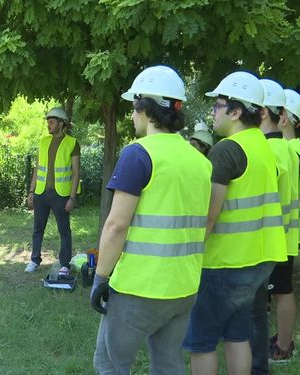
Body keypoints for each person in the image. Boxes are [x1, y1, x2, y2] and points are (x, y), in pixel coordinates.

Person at [90, 65, 211, 374]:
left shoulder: (138, 154)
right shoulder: (200, 162)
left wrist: (100, 278)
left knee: (110, 364)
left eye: (134, 107)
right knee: (169, 364)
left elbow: (117, 225)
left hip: (139, 289)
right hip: (184, 288)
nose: (131, 115)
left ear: (146, 107)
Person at [182, 72, 287, 375]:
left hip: (225, 262)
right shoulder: (262, 146)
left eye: (218, 105)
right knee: (237, 334)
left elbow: (210, 214)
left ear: (237, 111)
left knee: (201, 340)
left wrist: (190, 252)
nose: (213, 112)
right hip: (259, 259)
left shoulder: (226, 150)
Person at [266, 88, 300, 363]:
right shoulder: (295, 150)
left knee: (282, 290)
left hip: (283, 234)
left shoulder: (288, 152)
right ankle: (282, 340)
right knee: (281, 288)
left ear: (283, 118)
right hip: (289, 232)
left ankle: (283, 346)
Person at [250, 79, 296, 374]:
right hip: (282, 237)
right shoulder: (283, 147)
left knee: (278, 293)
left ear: (263, 112)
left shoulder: (272, 151)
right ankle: (279, 345)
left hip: (272, 240)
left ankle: (280, 347)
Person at [25, 107, 80, 277]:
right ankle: (34, 260)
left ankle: (65, 264)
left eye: (51, 122)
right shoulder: (43, 142)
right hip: (41, 193)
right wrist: (31, 191)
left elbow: (76, 172)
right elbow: (37, 169)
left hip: (61, 195)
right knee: (37, 229)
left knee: (64, 231)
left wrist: (72, 197)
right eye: (48, 121)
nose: (48, 125)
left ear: (61, 123)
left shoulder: (72, 143)